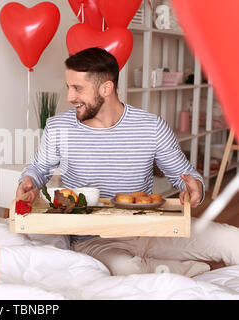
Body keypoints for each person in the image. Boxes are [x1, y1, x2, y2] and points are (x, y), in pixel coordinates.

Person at [16, 48, 238, 277]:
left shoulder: (152, 126)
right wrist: (29, 181)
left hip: (151, 228)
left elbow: (184, 175)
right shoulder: (58, 127)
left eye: (77, 88)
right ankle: (200, 268)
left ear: (106, 88)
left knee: (233, 240)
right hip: (95, 239)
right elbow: (39, 169)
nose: (70, 97)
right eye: (69, 87)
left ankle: (176, 267)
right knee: (126, 269)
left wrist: (195, 187)